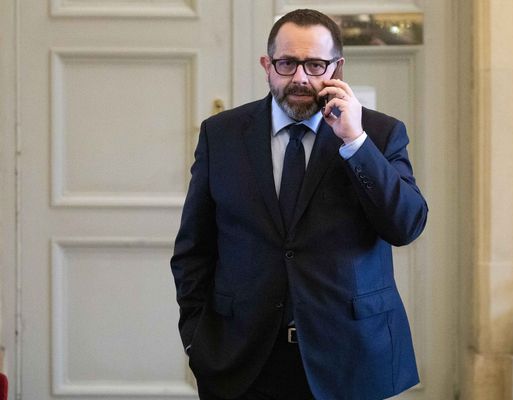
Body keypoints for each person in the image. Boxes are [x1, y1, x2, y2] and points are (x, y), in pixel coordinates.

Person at [171, 8, 428, 400]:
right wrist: (195, 339)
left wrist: (355, 143)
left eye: (315, 65)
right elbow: (194, 249)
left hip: (350, 359)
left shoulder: (378, 133)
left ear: (337, 68)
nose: (300, 78)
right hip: (242, 360)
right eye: (287, 63)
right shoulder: (220, 135)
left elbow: (405, 226)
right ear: (267, 65)